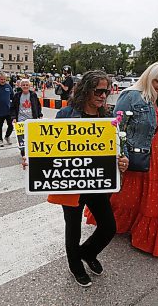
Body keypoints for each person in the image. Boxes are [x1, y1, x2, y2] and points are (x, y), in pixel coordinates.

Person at [46, 70, 129, 287]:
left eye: (107, 91)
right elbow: (51, 147)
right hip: (72, 182)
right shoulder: (66, 114)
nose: (104, 96)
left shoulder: (108, 118)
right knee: (73, 228)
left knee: (109, 226)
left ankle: (86, 253)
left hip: (97, 181)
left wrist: (123, 160)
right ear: (85, 90)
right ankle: (75, 265)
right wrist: (35, 161)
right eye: (99, 91)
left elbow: (119, 148)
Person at [86, 62, 158, 257]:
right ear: (147, 77)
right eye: (156, 80)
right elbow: (117, 128)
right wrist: (122, 154)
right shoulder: (131, 96)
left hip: (157, 156)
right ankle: (114, 224)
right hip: (136, 153)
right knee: (129, 195)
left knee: (150, 199)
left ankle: (143, 234)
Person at [10, 78, 42, 157]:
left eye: (27, 85)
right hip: (21, 119)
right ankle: (23, 152)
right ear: (20, 86)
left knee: (32, 136)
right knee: (22, 137)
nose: (25, 86)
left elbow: (38, 105)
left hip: (32, 119)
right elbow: (13, 107)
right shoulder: (17, 95)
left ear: (29, 86)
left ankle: (32, 150)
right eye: (23, 85)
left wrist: (39, 115)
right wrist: (13, 118)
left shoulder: (33, 95)